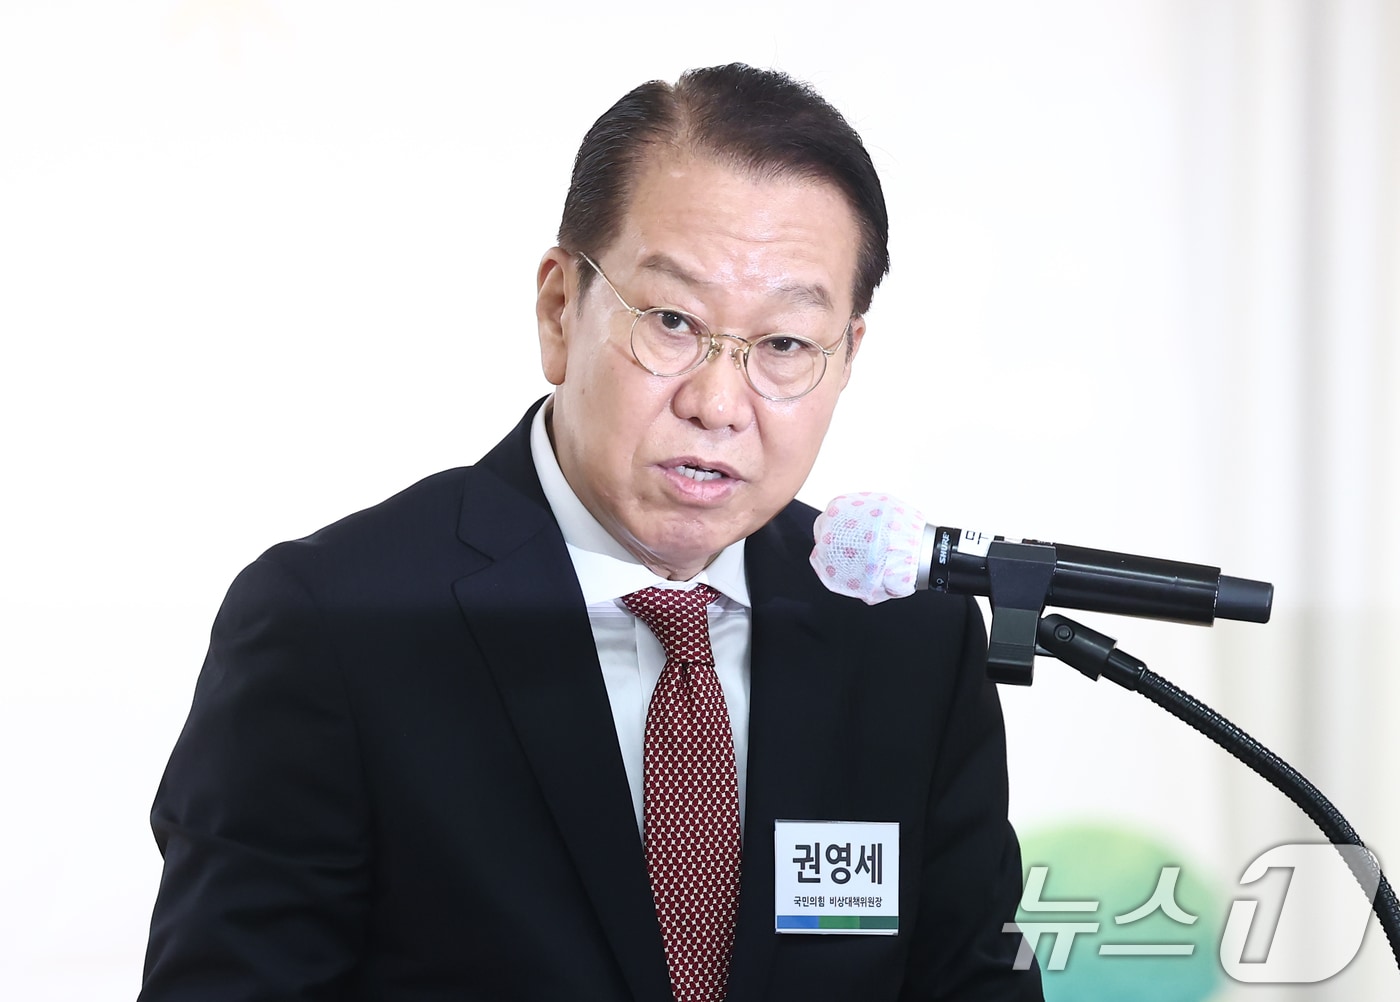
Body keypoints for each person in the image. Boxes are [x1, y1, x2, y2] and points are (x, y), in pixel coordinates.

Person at [139, 63, 1043, 1001]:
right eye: (672, 321)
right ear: (559, 309)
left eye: (783, 344)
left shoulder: (907, 637)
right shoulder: (340, 625)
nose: (717, 403)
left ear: (846, 356)